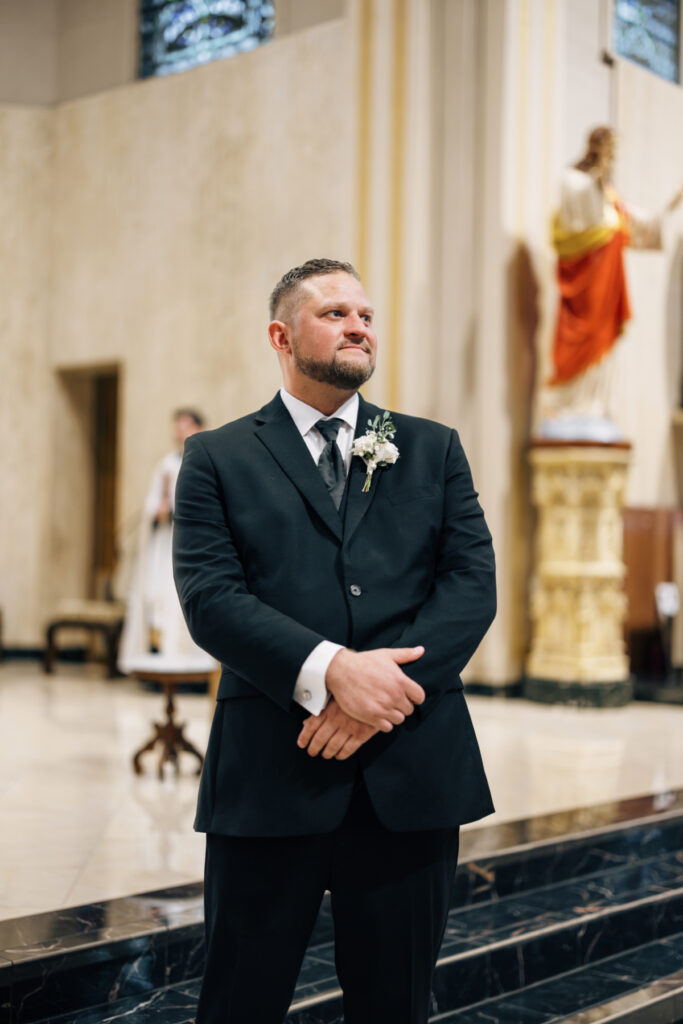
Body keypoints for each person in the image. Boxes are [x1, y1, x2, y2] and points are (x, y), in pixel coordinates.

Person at [172, 258, 496, 1024]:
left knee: (395, 1004)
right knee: (240, 1001)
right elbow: (211, 599)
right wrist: (330, 672)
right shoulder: (217, 457)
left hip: (408, 768)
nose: (358, 326)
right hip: (272, 773)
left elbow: (469, 585)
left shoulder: (429, 446)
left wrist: (373, 699)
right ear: (281, 336)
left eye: (366, 315)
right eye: (335, 313)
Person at [541, 125, 683, 440]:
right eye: (611, 151)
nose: (614, 158)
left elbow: (639, 224)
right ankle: (567, 407)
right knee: (582, 337)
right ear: (598, 149)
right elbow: (575, 219)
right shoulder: (577, 181)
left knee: (604, 344)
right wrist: (595, 185)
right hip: (586, 284)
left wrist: (674, 201)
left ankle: (593, 408)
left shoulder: (610, 195)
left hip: (607, 285)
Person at [118, 408, 206, 672]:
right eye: (177, 425)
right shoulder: (166, 464)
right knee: (161, 598)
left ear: (198, 428)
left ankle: (194, 665)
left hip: (195, 543)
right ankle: (162, 664)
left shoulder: (204, 460)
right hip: (166, 544)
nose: (180, 431)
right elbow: (151, 505)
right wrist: (159, 510)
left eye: (186, 425)